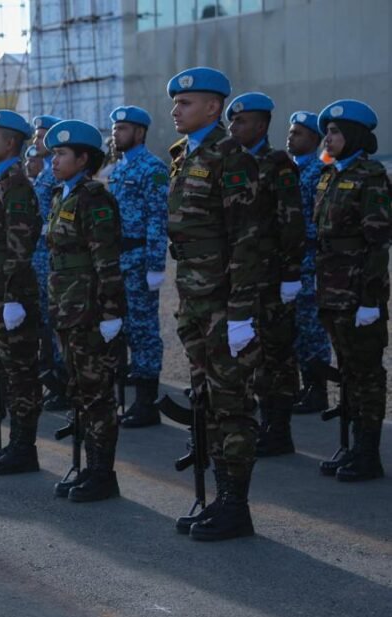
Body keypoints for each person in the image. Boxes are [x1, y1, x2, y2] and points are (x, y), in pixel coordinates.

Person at [165, 68, 262, 541]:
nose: (175, 110)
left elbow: (248, 239)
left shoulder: (232, 159)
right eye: (175, 103)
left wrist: (243, 313)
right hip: (195, 300)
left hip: (225, 303)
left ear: (212, 108)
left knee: (232, 403)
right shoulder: (183, 156)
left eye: (185, 103)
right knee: (205, 400)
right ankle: (219, 497)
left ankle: (236, 507)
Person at [44, 120, 127, 500]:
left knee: (97, 393)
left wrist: (112, 314)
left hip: (91, 310)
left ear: (84, 158)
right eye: (53, 154)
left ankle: (101, 473)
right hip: (67, 308)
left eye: (61, 154)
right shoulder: (64, 195)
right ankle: (85, 465)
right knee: (79, 388)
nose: (54, 160)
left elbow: (106, 260)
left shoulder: (94, 198)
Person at [313, 99, 391, 482]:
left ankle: (368, 453)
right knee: (346, 371)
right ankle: (352, 445)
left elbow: (378, 243)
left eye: (337, 131)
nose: (329, 136)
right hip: (331, 289)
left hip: (358, 291)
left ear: (356, 136)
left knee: (366, 374)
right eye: (328, 130)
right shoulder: (329, 175)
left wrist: (371, 300)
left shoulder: (370, 176)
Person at [227, 92, 306, 457]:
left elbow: (291, 221)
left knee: (277, 352)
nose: (233, 127)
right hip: (244, 274)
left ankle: (280, 428)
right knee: (253, 351)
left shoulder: (278, 164)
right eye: (232, 121)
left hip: (272, 274)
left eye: (241, 121)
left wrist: (291, 272)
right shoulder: (234, 163)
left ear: (260, 125)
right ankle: (264, 421)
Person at [0, 110, 43, 474]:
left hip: (9, 294)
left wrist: (13, 298)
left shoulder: (16, 185)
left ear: (12, 142)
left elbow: (20, 246)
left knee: (20, 373)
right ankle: (13, 443)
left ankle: (23, 447)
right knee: (4, 369)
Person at [107, 106, 169, 428]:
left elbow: (158, 218)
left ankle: (147, 404)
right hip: (119, 261)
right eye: (115, 128)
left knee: (144, 331)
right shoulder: (117, 170)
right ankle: (131, 397)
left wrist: (155, 265)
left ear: (140, 133)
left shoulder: (152, 168)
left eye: (123, 129)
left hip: (140, 259)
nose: (116, 134)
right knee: (125, 328)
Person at [286, 111, 333, 414]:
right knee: (296, 329)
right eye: (291, 132)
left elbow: (321, 219)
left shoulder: (319, 173)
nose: (291, 137)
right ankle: (304, 387)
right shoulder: (289, 170)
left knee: (313, 329)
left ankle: (318, 392)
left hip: (310, 261)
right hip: (291, 261)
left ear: (315, 140)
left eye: (298, 133)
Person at [30, 114, 68, 411]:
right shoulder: (43, 172)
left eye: (41, 134)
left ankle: (63, 382)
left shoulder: (57, 173)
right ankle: (54, 380)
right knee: (45, 320)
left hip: (55, 255)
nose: (35, 138)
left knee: (57, 322)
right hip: (40, 255)